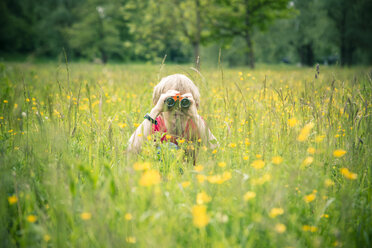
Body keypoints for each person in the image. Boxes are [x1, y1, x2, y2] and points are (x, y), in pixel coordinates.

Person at [127, 74, 217, 159]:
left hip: (190, 172)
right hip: (160, 172)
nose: (177, 108)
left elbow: (215, 150)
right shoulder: (153, 124)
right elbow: (131, 150)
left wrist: (195, 115)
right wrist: (155, 111)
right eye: (170, 102)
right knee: (168, 148)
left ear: (195, 105)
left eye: (184, 102)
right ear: (157, 103)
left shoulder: (196, 124)